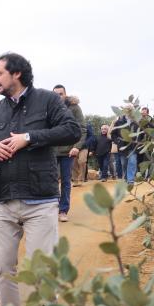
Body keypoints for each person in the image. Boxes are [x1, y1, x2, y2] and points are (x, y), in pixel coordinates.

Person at [0, 53, 81, 306]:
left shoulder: (47, 101)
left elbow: (71, 131)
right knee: (2, 266)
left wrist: (29, 138)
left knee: (41, 264)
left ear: (16, 74)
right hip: (1, 199)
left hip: (39, 199)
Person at [51, 85, 85, 222]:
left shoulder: (74, 108)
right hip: (51, 151)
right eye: (55, 94)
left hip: (67, 151)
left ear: (65, 94)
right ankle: (51, 209)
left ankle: (63, 210)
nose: (58, 96)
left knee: (65, 181)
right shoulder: (49, 107)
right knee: (50, 180)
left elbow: (82, 128)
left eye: (60, 93)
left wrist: (77, 147)